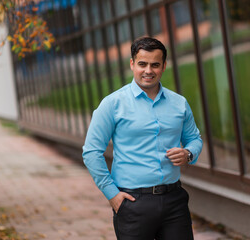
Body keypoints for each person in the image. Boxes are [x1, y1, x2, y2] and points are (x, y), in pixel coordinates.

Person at [82, 37, 203, 240]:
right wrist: (112, 194)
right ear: (132, 64)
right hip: (132, 202)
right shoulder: (112, 104)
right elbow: (91, 152)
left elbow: (195, 139)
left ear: (164, 66)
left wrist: (188, 153)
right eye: (142, 64)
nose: (148, 70)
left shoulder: (179, 103)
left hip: (174, 201)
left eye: (155, 65)